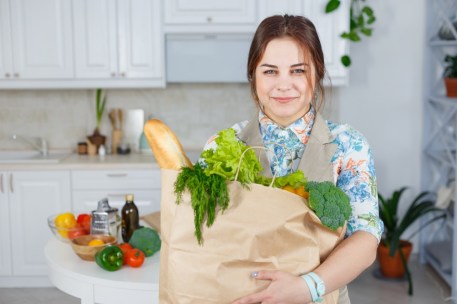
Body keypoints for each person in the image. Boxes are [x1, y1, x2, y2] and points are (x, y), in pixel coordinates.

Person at [202, 14, 383, 304]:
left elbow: (365, 239)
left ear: (317, 73)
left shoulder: (349, 145)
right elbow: (201, 232)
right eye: (270, 71)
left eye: (298, 71)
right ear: (253, 75)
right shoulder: (222, 146)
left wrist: (307, 286)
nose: (283, 85)